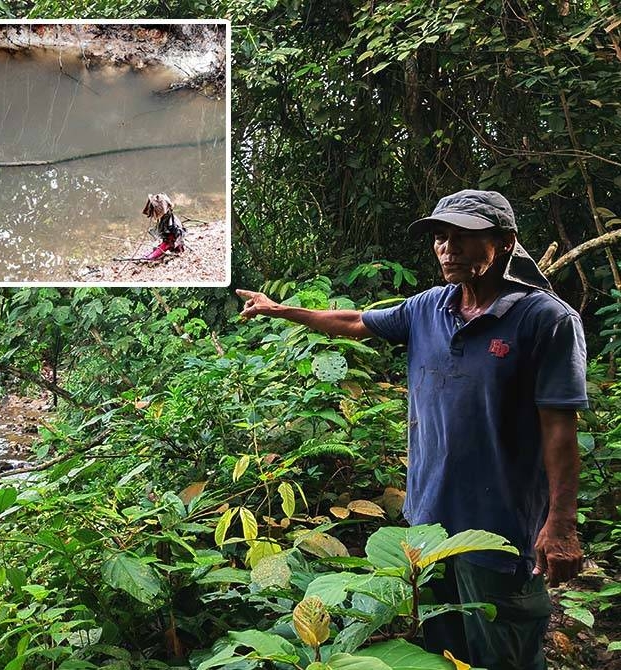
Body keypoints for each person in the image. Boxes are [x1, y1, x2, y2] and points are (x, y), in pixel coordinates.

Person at [237, 190, 587, 670]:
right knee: (440, 650)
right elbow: (357, 321)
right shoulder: (428, 308)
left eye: (465, 237)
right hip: (426, 523)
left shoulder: (545, 320)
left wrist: (562, 525)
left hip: (500, 528)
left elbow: (559, 429)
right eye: (442, 238)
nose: (449, 249)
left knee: (504, 650)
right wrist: (281, 311)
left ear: (505, 243)